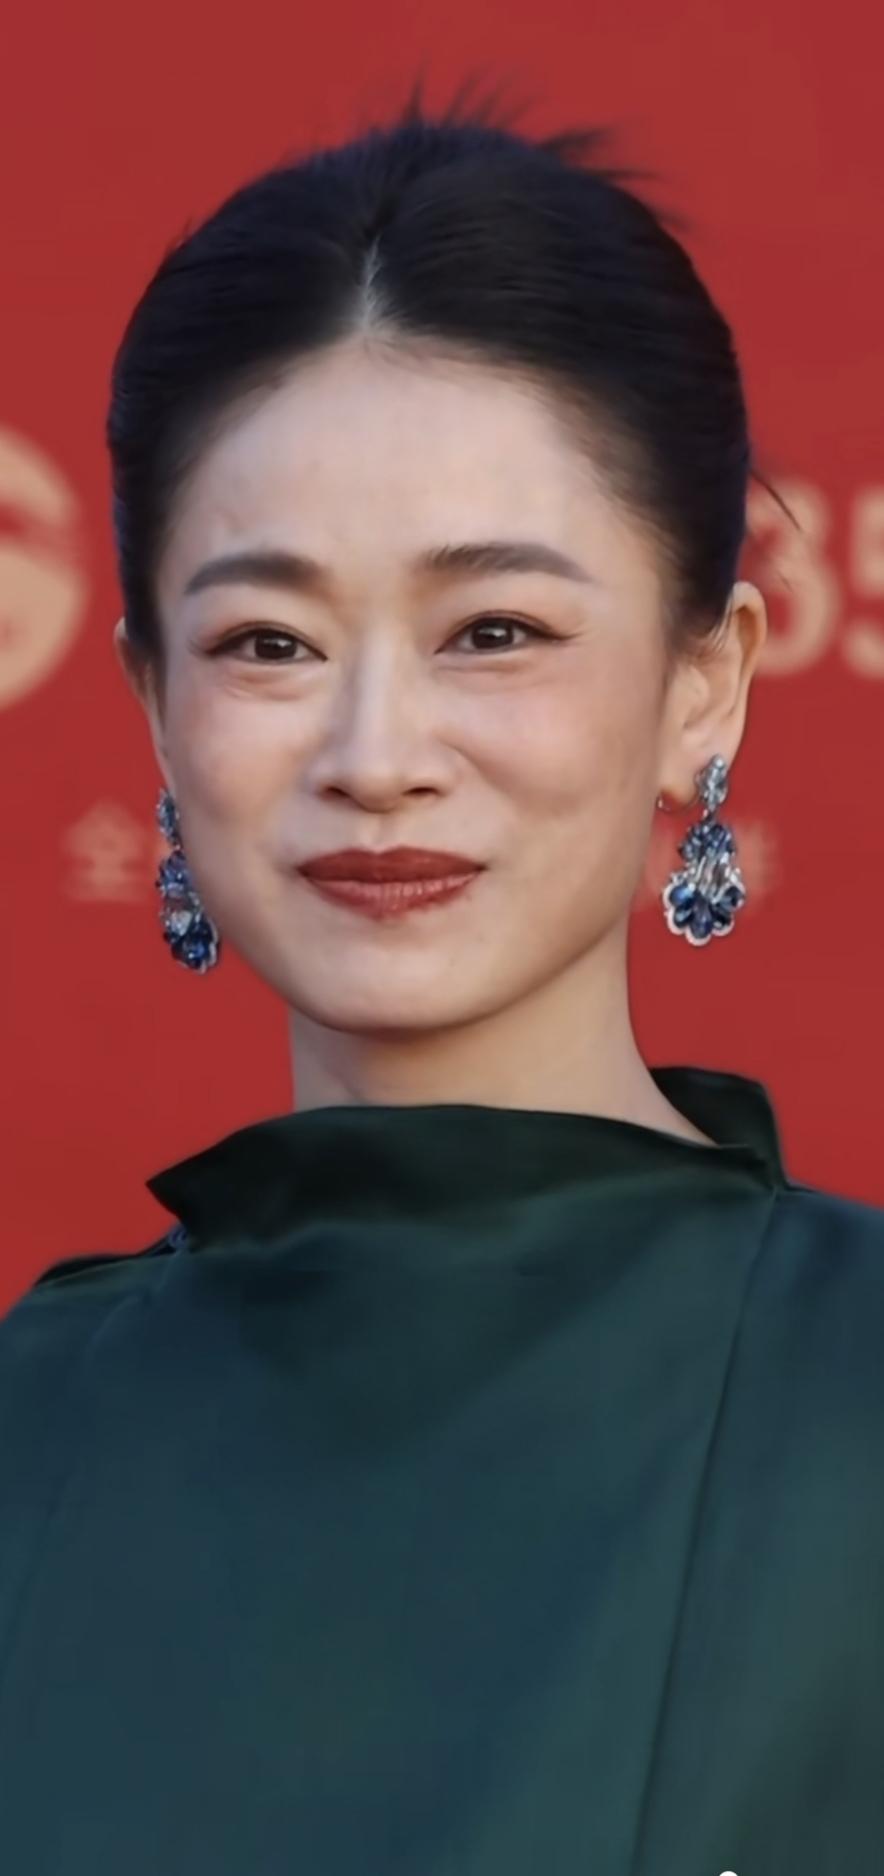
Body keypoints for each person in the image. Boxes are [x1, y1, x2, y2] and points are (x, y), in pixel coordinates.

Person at [2, 84, 883, 1876]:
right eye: (269, 641)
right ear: (154, 703)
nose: (375, 753)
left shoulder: (854, 1390)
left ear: (706, 681)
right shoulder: (33, 1426)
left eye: (494, 631)